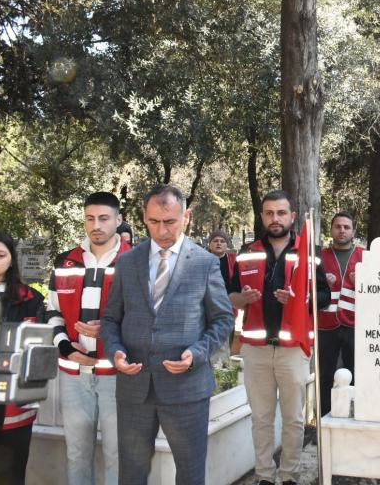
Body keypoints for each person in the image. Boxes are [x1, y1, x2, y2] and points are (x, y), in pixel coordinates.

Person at [100, 184, 234, 485]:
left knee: (190, 474)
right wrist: (115, 351)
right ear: (143, 217)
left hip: (187, 388)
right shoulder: (127, 262)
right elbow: (110, 319)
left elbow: (223, 319)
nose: (161, 231)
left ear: (186, 216)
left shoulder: (204, 263)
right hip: (134, 388)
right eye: (154, 222)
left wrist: (197, 353)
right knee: (131, 475)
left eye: (170, 221)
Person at [228, 190, 330, 485]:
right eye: (269, 213)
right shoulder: (247, 252)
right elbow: (230, 296)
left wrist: (300, 300)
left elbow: (325, 296)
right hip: (256, 349)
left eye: (281, 213)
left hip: (293, 349)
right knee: (260, 419)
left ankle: (289, 476)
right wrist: (242, 298)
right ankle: (264, 476)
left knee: (293, 419)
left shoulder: (310, 252)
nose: (275, 219)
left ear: (292, 217)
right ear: (262, 217)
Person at [46, 191, 131, 484]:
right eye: (90, 218)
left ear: (118, 220)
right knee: (77, 454)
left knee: (118, 455)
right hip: (73, 374)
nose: (96, 225)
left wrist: (109, 331)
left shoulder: (135, 260)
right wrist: (66, 347)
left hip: (117, 375)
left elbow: (147, 317)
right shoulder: (65, 261)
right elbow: (53, 312)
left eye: (104, 218)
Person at [0, 232, 45, 484]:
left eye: (0, 255)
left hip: (13, 402)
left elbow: (39, 354)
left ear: (12, 259)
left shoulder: (31, 300)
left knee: (10, 474)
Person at [317, 211, 365, 416]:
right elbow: (308, 288)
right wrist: (322, 282)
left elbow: (379, 290)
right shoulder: (320, 257)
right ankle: (325, 418)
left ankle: (356, 415)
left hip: (355, 324)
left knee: (356, 373)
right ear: (331, 230)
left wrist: (361, 282)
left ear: (353, 231)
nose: (342, 230)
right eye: (338, 226)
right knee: (325, 375)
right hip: (325, 324)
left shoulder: (365, 256)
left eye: (346, 227)